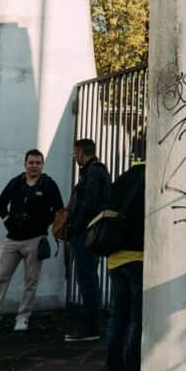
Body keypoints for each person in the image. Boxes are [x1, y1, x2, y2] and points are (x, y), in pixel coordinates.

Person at [0, 149, 63, 332]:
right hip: (12, 240)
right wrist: (8, 221)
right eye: (31, 162)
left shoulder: (49, 185)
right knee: (0, 278)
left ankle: (23, 318)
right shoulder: (16, 182)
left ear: (42, 165)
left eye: (38, 163)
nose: (34, 166)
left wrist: (46, 225)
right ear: (25, 164)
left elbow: (59, 210)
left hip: (35, 240)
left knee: (31, 282)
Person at [101, 139, 146, 371]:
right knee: (136, 322)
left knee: (117, 319)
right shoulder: (151, 179)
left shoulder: (120, 180)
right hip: (138, 259)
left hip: (115, 259)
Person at [65, 138, 110, 342]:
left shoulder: (93, 172)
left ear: (82, 152)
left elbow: (88, 204)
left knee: (88, 281)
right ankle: (91, 326)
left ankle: (91, 328)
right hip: (88, 233)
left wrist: (75, 228)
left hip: (86, 235)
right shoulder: (95, 172)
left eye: (75, 153)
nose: (74, 156)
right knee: (89, 280)